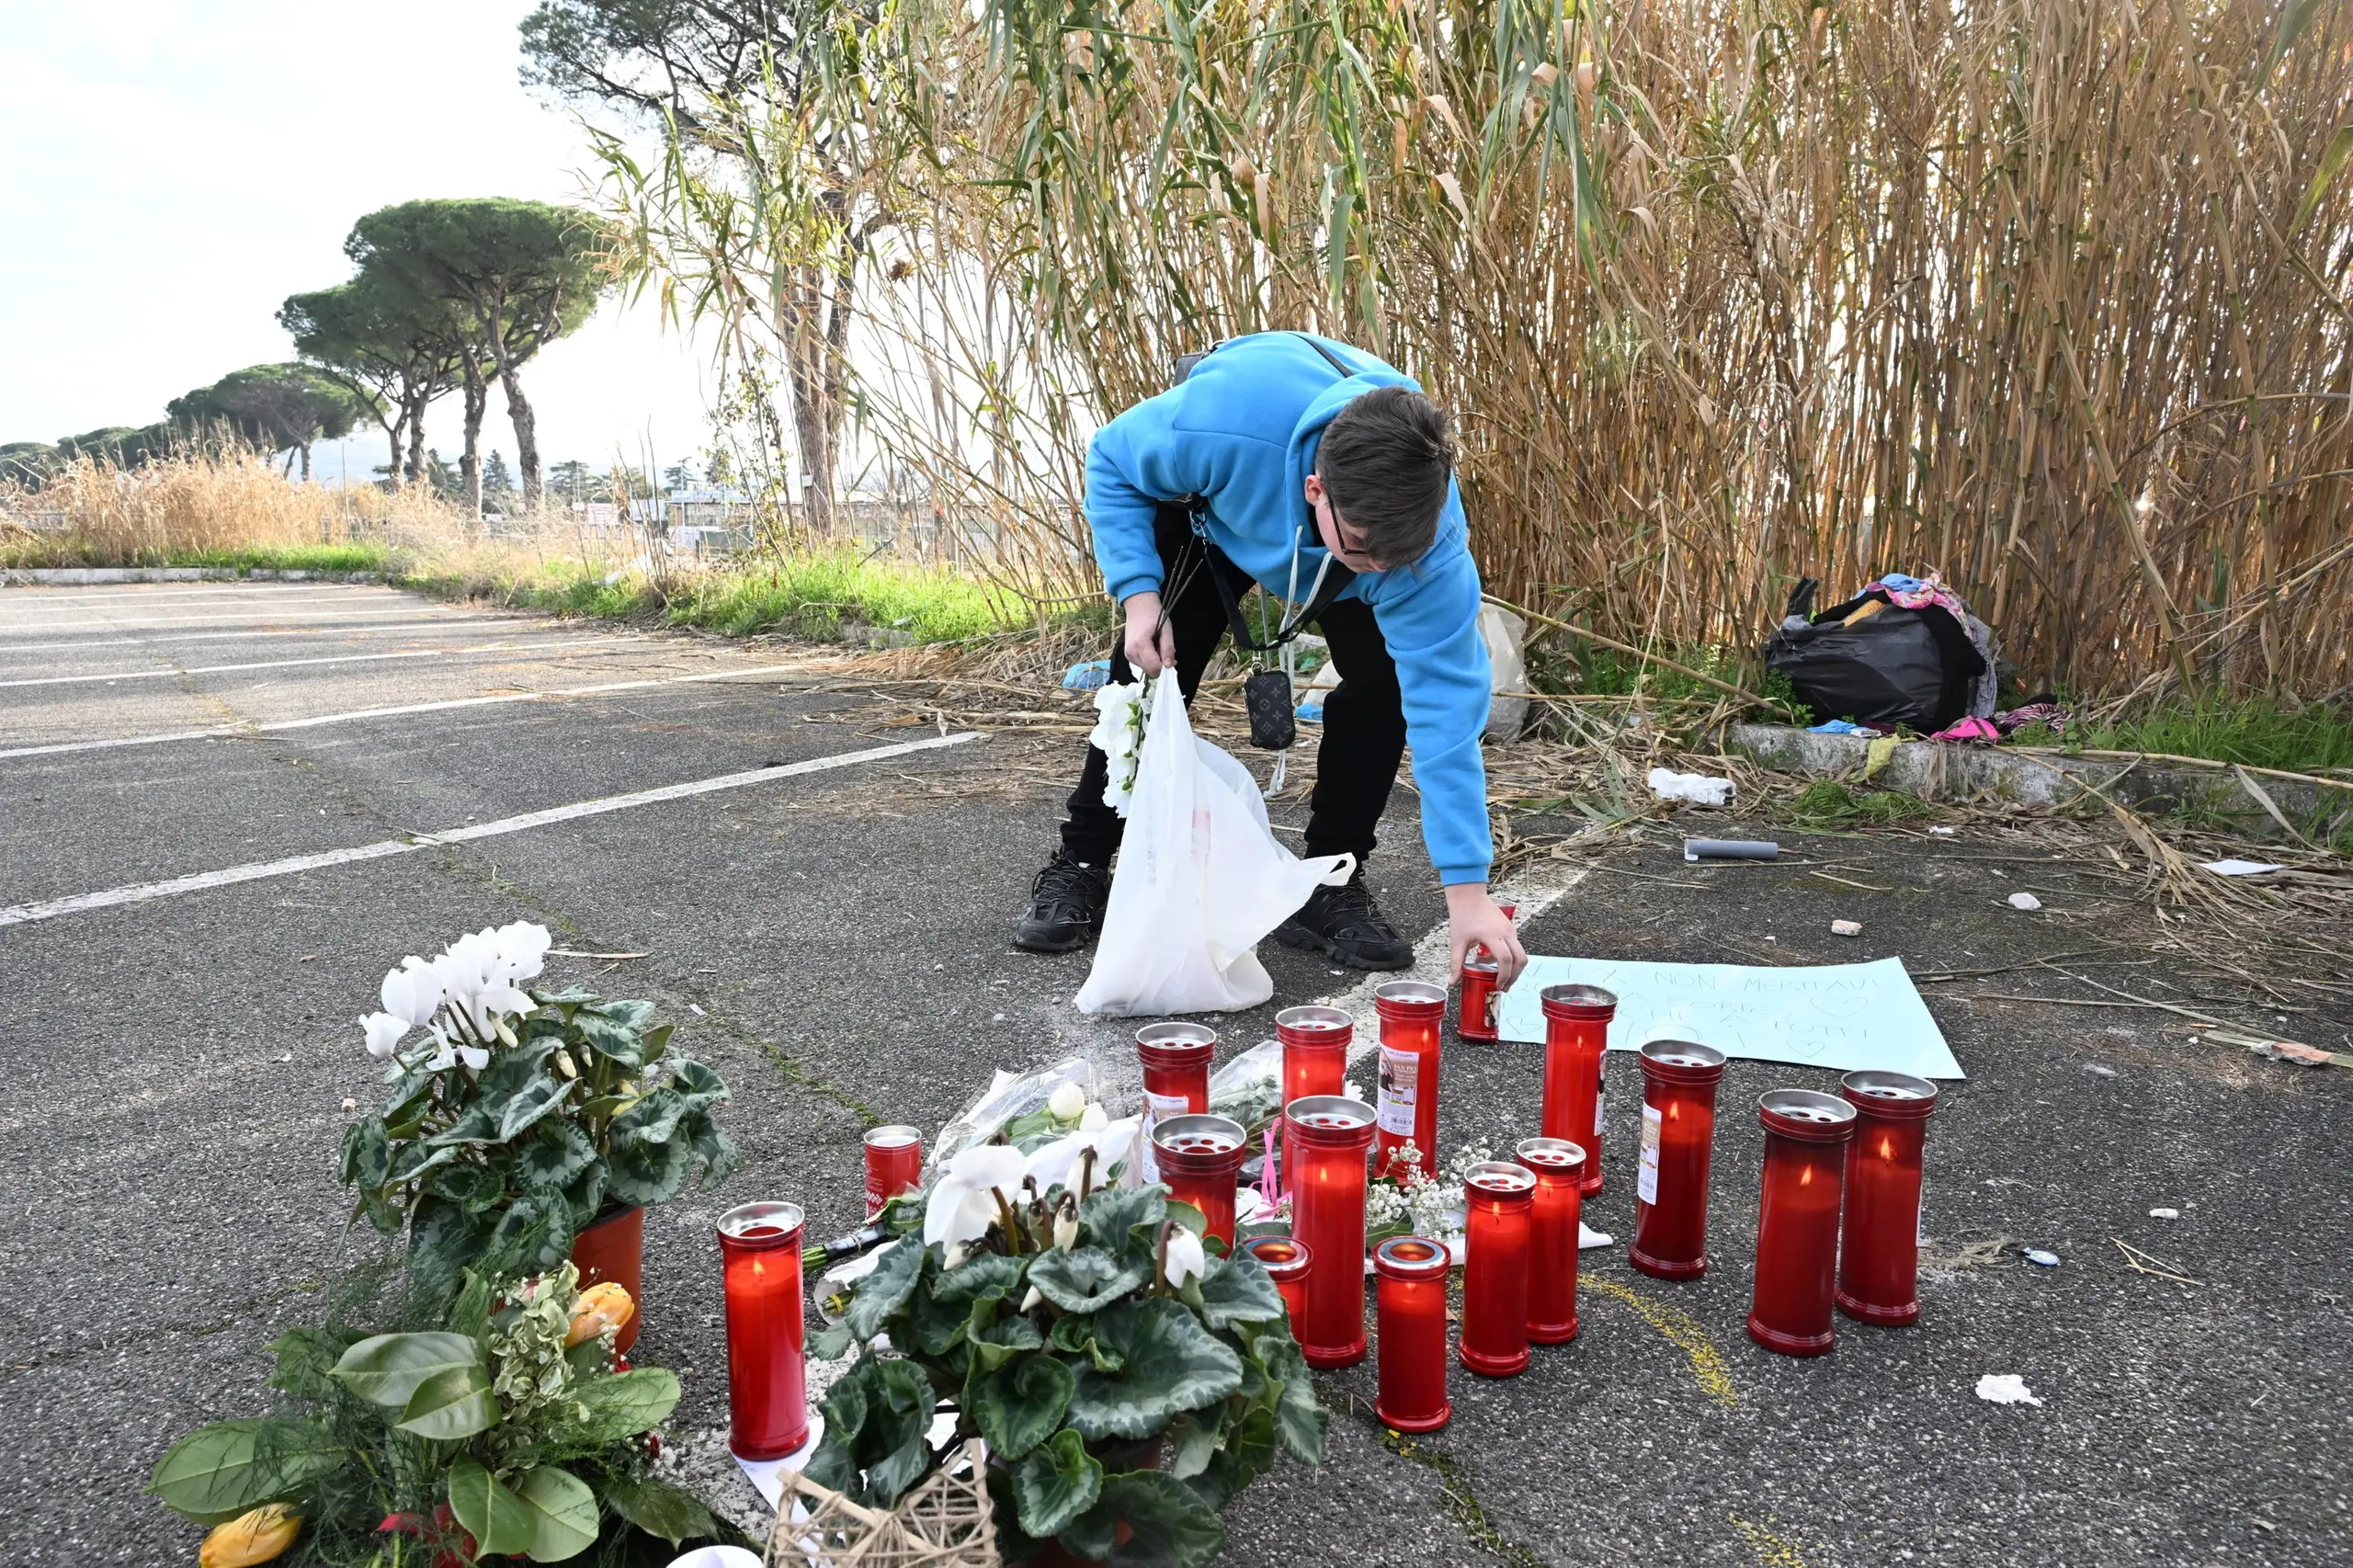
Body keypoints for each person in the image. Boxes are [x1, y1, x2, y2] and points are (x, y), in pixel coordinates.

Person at [1013, 331, 1527, 989]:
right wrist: (1139, 598)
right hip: (1222, 501)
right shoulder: (1220, 425)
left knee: (1390, 687)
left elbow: (1446, 724)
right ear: (1316, 489)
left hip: (1345, 540)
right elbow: (1111, 459)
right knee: (1149, 666)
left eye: (1397, 559)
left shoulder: (1423, 555)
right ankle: (1082, 861)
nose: (1382, 571)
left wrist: (1469, 897)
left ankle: (1330, 880)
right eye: (1367, 551)